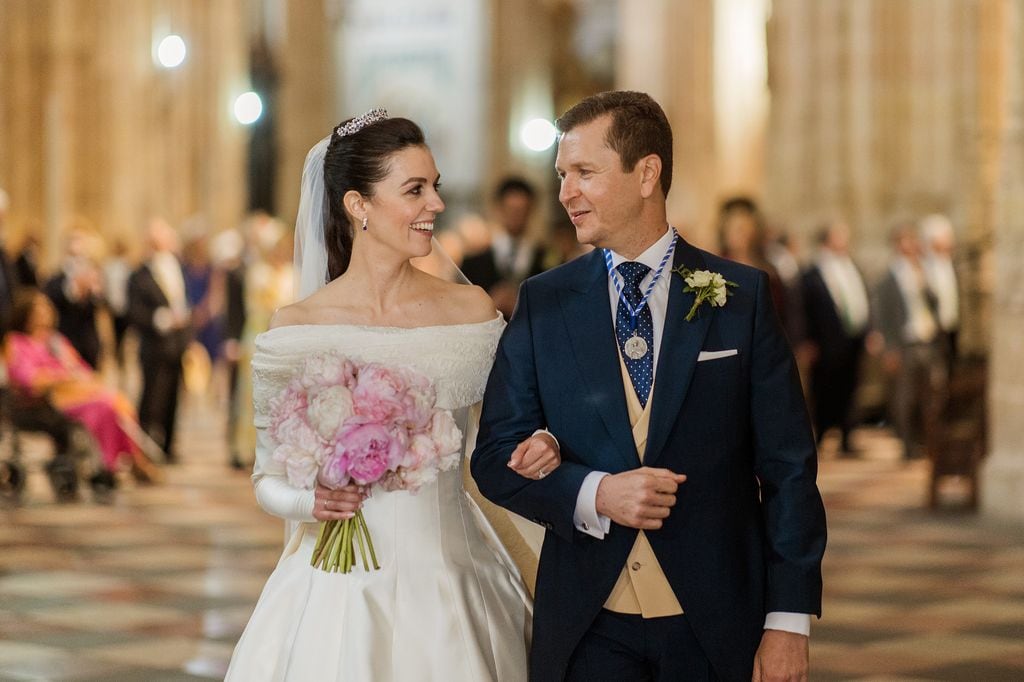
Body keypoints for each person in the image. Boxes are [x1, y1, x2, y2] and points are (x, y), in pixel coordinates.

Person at [471, 91, 827, 682]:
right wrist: (594, 493)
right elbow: (492, 458)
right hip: (588, 624)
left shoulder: (741, 297)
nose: (565, 193)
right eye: (562, 175)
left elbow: (789, 469)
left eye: (585, 172)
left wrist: (787, 619)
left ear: (647, 173)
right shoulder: (545, 301)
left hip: (715, 621)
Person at [225, 110, 542, 681]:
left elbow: (511, 434)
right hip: (336, 590)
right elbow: (265, 479)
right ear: (358, 204)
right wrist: (311, 502)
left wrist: (539, 442)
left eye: (435, 187)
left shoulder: (470, 313)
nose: (436, 206)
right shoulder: (296, 328)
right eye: (415, 190)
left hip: (454, 579)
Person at [3, 288, 161, 484]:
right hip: (46, 400)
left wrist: (86, 380)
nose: (43, 314)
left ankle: (127, 460)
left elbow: (80, 369)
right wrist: (62, 378)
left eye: (46, 309)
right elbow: (28, 378)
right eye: (38, 309)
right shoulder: (17, 343)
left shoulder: (56, 341)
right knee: (105, 407)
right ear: (26, 313)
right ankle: (116, 462)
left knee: (116, 402)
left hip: (74, 393)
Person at [873, 221, 946, 460]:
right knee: (905, 396)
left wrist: (924, 280)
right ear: (897, 244)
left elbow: (935, 303)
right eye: (906, 240)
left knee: (930, 394)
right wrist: (889, 348)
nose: (912, 245)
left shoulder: (922, 270)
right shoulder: (889, 277)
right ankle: (906, 444)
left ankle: (928, 440)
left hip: (927, 340)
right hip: (904, 343)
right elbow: (883, 314)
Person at [801, 219, 871, 455]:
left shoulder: (852, 266)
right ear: (828, 240)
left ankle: (847, 436)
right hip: (825, 342)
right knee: (823, 390)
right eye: (839, 236)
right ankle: (820, 435)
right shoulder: (813, 272)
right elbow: (804, 308)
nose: (845, 241)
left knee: (850, 389)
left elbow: (862, 299)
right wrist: (807, 341)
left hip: (852, 339)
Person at [127, 218, 192, 462]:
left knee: (174, 398)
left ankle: (168, 446)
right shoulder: (139, 274)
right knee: (152, 397)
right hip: (154, 345)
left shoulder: (177, 267)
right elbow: (133, 311)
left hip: (177, 343)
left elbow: (183, 299)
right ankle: (143, 447)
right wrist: (162, 319)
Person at [461, 176, 547, 317]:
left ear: (531, 211)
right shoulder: (472, 263)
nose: (516, 216)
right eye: (511, 210)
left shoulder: (546, 259)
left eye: (521, 210)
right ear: (498, 209)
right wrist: (490, 303)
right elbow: (461, 309)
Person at [919, 213, 961, 375]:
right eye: (946, 237)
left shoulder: (951, 264)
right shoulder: (923, 266)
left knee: (948, 369)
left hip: (950, 324)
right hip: (932, 329)